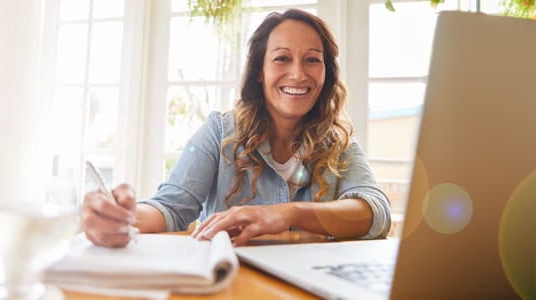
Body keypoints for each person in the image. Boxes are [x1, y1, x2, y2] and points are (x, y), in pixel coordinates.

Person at [81, 8, 391, 248]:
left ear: (326, 73)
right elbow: (171, 208)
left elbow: (376, 212)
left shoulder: (339, 141)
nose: (298, 74)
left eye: (312, 60)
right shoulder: (219, 131)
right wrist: (123, 218)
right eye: (282, 58)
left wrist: (287, 213)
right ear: (259, 70)